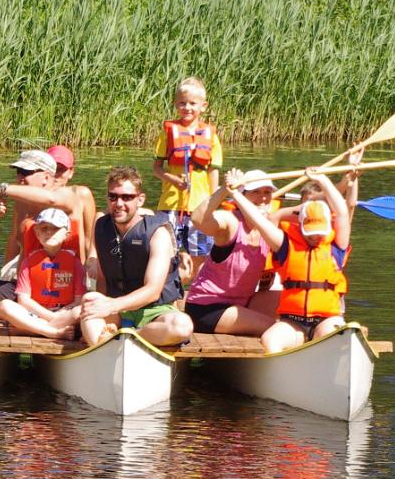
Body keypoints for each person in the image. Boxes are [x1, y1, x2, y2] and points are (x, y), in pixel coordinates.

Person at [79, 167, 193, 347]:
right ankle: (105, 342)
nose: (119, 203)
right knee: (89, 301)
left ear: (140, 200)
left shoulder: (158, 233)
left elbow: (153, 290)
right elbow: (102, 279)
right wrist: (102, 308)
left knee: (182, 326)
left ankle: (126, 336)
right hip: (116, 310)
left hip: (154, 310)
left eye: (127, 197)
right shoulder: (101, 227)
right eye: (113, 197)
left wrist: (113, 305)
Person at [258, 166, 355, 353]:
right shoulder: (286, 245)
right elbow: (270, 219)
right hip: (292, 322)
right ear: (300, 225)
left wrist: (322, 179)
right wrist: (299, 210)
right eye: (311, 232)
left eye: (320, 231)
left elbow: (343, 211)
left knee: (334, 336)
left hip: (326, 319)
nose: (316, 236)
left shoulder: (337, 245)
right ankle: (281, 369)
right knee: (269, 340)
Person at [180, 169, 283, 336]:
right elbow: (198, 219)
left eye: (267, 192)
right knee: (275, 329)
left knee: (296, 306)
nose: (263, 198)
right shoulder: (231, 221)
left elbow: (306, 209)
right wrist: (225, 189)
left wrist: (326, 181)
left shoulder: (269, 224)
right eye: (256, 192)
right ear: (242, 195)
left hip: (243, 303)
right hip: (207, 307)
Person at [0, 149, 86, 303]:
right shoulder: (21, 205)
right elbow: (16, 242)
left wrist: (0, 189)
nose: (20, 177)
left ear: (46, 177)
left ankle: (15, 312)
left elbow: (52, 199)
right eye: (18, 172)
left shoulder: (67, 195)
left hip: (66, 292)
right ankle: (13, 310)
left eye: (26, 172)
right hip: (24, 290)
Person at [150, 78, 221, 283]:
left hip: (199, 206)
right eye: (182, 103)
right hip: (170, 205)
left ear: (203, 106)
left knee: (200, 255)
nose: (187, 107)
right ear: (176, 104)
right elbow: (156, 168)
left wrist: (213, 203)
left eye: (192, 103)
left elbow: (213, 172)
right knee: (166, 252)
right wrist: (171, 178)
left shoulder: (211, 136)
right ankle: (166, 290)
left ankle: (196, 293)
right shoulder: (168, 132)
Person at [0, 208, 85, 339]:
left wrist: (58, 314)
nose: (49, 232)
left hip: (64, 313)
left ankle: (30, 330)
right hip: (36, 313)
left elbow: (78, 301)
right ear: (37, 233)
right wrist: (51, 317)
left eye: (55, 228)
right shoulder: (28, 262)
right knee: (5, 305)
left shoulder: (76, 264)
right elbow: (23, 300)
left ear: (67, 234)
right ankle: (52, 332)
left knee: (80, 311)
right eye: (44, 228)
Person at [46, 145, 98, 264]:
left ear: (71, 172)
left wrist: (89, 270)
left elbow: (89, 241)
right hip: (39, 266)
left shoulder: (82, 194)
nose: (55, 174)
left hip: (75, 267)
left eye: (61, 169)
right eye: (52, 168)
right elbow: (16, 240)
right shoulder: (31, 196)